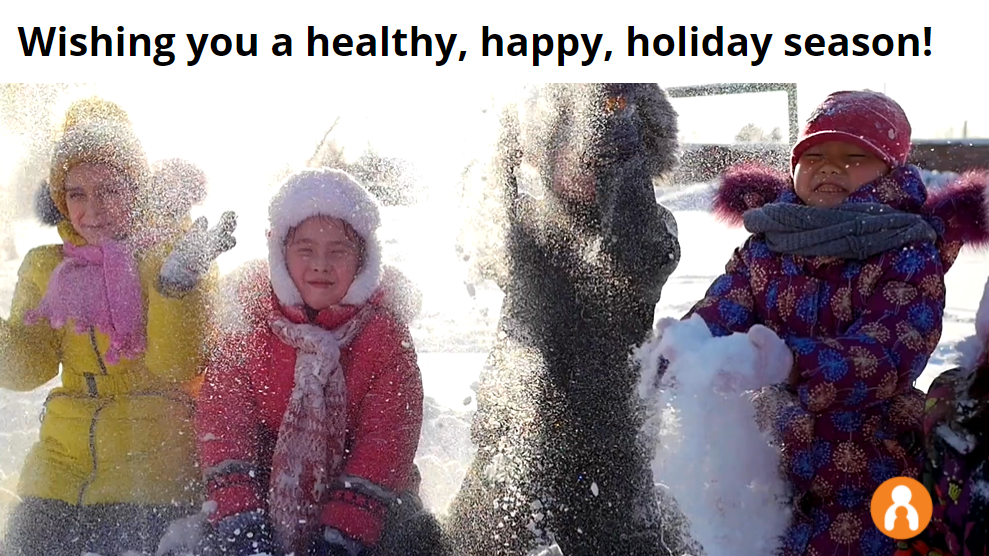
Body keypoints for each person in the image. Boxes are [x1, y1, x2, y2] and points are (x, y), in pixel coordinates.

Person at [678, 90, 987, 556]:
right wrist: (689, 342)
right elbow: (726, 306)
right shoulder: (768, 242)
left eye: (854, 156)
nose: (829, 166)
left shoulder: (906, 249)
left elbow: (890, 353)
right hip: (771, 457)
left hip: (871, 463)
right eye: (814, 155)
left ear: (890, 171)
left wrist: (792, 363)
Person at [446, 83, 686, 556]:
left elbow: (635, 253)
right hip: (516, 433)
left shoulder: (653, 231)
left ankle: (671, 526)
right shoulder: (531, 226)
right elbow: (488, 230)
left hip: (608, 446)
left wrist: (622, 150)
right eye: (570, 145)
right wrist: (511, 149)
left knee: (625, 545)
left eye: (603, 156)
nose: (584, 161)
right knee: (470, 540)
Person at [0, 96, 236, 556]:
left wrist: (176, 288)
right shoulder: (46, 267)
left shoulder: (176, 251)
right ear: (59, 202)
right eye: (77, 194)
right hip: (59, 462)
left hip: (151, 458)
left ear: (137, 188)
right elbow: (27, 366)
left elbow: (179, 365)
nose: (93, 209)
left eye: (110, 190)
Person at [195, 168, 441, 556]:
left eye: (338, 251)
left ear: (362, 260)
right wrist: (240, 514)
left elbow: (388, 438)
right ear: (280, 254)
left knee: (414, 536)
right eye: (305, 249)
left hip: (367, 501)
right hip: (265, 495)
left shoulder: (385, 335)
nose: (321, 264)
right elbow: (224, 421)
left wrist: (344, 530)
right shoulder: (249, 322)